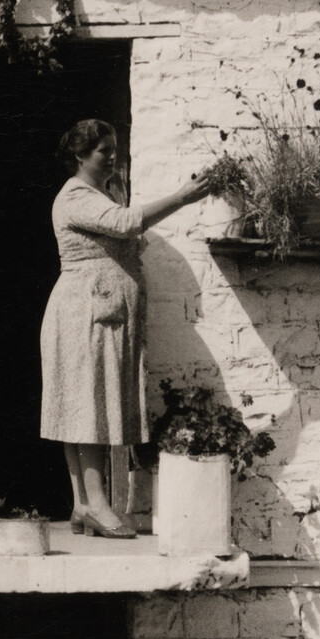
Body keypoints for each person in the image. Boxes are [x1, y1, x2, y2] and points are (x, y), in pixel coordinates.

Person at [40, 119, 216, 538]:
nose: (113, 156)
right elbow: (125, 225)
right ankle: (98, 505)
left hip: (98, 309)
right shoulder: (74, 196)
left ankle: (84, 504)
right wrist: (183, 197)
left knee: (87, 402)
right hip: (84, 311)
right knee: (87, 405)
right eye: (104, 151)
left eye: (115, 148)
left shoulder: (102, 194)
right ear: (81, 156)